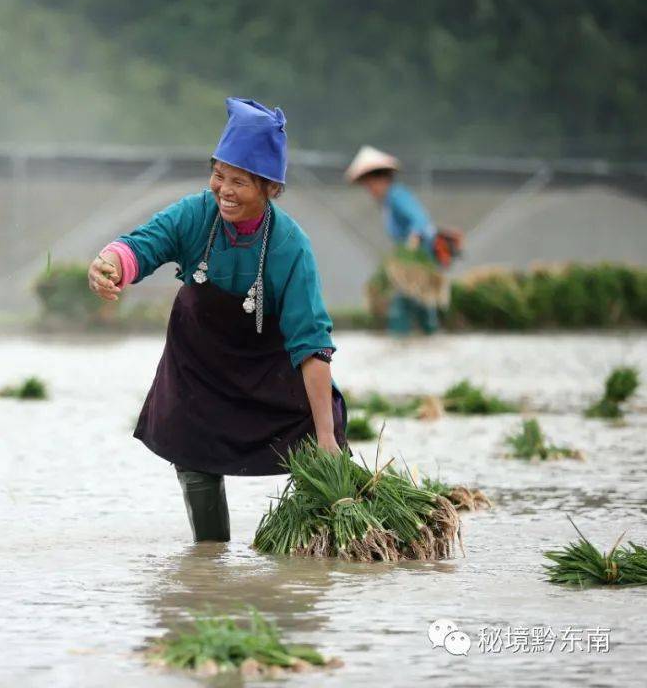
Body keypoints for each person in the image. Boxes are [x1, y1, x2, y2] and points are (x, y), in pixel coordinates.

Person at [87, 97, 348, 543]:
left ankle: (326, 544)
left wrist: (326, 439)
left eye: (239, 181)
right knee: (193, 457)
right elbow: (144, 243)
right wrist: (110, 263)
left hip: (266, 371)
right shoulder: (195, 215)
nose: (223, 189)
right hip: (199, 372)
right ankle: (210, 563)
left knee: (323, 440)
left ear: (270, 188)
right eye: (219, 175)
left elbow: (311, 344)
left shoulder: (290, 246)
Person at [344, 146, 441, 336]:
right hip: (412, 258)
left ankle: (402, 340)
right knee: (420, 303)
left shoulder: (396, 195)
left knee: (402, 303)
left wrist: (412, 243)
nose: (369, 189)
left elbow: (420, 220)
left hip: (416, 259)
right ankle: (428, 337)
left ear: (381, 179)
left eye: (370, 184)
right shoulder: (389, 200)